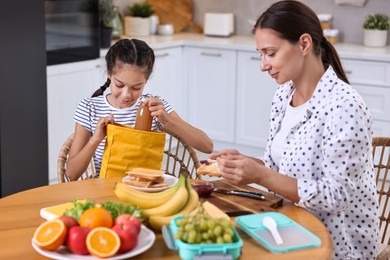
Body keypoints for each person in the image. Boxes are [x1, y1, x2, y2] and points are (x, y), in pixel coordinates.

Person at [209, 1, 379, 259]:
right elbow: (278, 166)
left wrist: (260, 175)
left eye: (270, 53)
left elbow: (335, 196)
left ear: (303, 44)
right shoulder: (282, 96)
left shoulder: (344, 106)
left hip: (335, 246)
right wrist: (244, 163)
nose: (263, 65)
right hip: (286, 227)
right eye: (260, 54)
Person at [67, 38, 213, 180]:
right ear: (109, 74)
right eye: (119, 85)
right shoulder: (90, 108)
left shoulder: (153, 106)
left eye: (136, 87)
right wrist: (95, 140)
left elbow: (207, 146)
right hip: (106, 193)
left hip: (147, 190)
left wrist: (168, 120)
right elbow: (71, 173)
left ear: (146, 81)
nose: (126, 95)